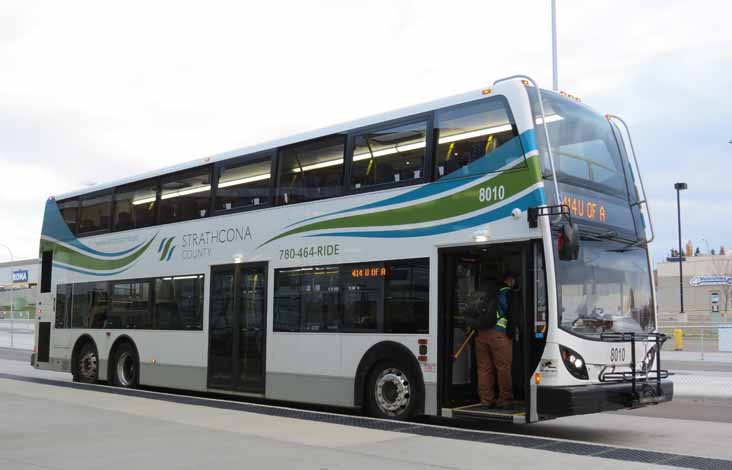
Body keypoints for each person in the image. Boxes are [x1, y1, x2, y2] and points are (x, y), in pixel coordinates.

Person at [476, 272, 515, 408]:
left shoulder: (485, 290)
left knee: (484, 368)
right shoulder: (507, 293)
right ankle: (505, 399)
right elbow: (513, 315)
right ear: (509, 280)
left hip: (481, 333)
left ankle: (486, 400)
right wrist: (511, 334)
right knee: (503, 367)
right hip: (499, 334)